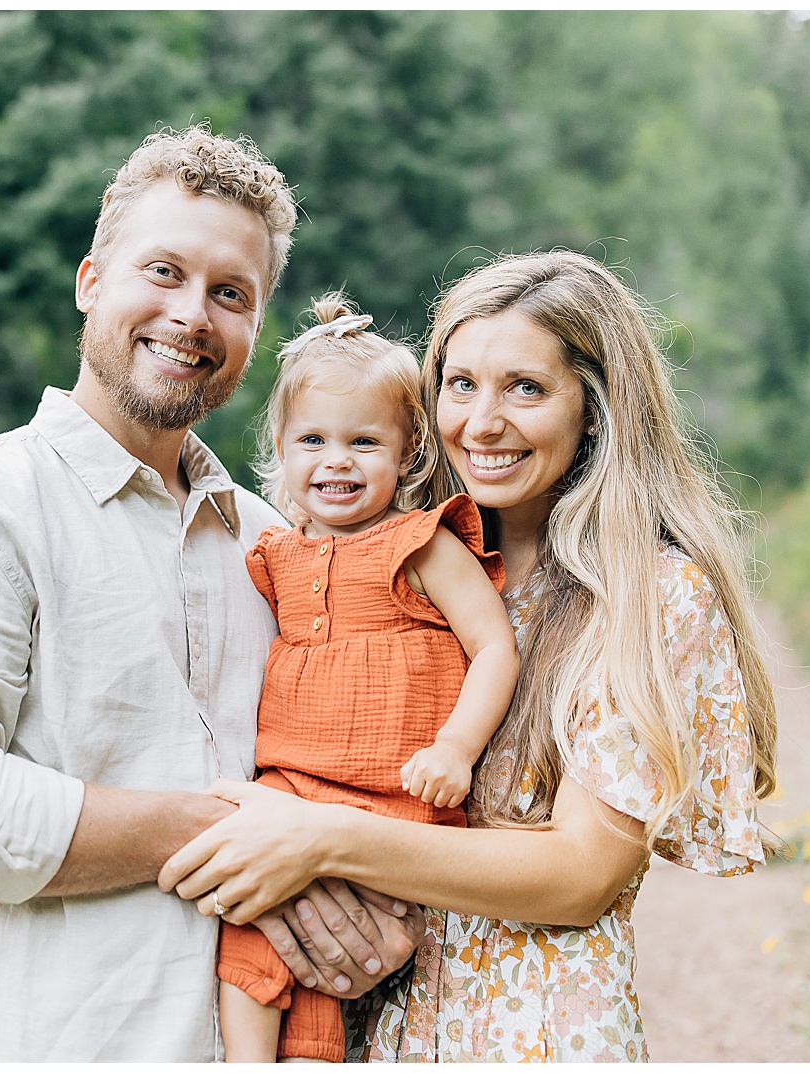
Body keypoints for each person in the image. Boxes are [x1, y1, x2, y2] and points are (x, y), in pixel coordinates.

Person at [0, 125, 418, 1063]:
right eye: (164, 272)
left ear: (256, 329)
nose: (193, 316)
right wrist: (228, 836)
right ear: (91, 281)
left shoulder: (277, 543)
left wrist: (359, 875)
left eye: (231, 293)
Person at [160, 249, 780, 1061]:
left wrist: (319, 836)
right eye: (461, 384)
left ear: (594, 408)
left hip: (535, 1031)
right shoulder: (404, 556)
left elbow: (580, 873)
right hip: (384, 1021)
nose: (482, 422)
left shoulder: (650, 593)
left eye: (526, 388)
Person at [216, 294, 520, 1062]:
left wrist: (455, 747)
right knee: (253, 939)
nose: (336, 460)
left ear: (409, 450)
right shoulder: (271, 553)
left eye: (363, 441)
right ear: (281, 447)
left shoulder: (421, 543)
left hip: (389, 806)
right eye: (312, 439)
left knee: (335, 956)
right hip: (291, 791)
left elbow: (493, 646)